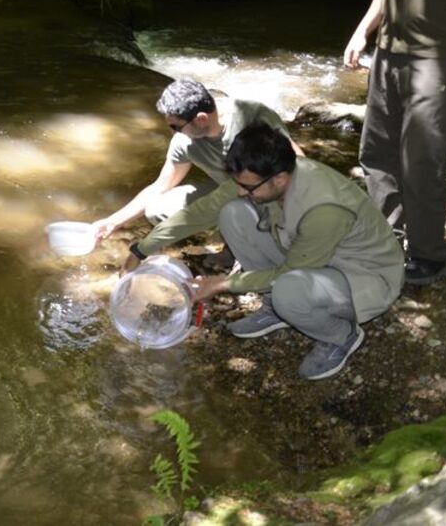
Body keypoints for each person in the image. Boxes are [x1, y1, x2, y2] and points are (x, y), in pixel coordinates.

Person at [126, 125, 404, 380]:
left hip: (363, 277)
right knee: (232, 213)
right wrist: (141, 248)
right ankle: (277, 308)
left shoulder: (324, 209)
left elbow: (289, 272)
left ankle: (339, 337)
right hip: (313, 258)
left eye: (247, 186)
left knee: (288, 289)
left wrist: (222, 284)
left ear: (280, 179)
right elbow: (201, 211)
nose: (239, 190)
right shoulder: (266, 175)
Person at [92, 78, 303, 243]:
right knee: (157, 210)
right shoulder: (184, 142)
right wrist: (112, 222)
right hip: (229, 190)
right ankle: (227, 231)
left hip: (269, 189)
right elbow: (160, 186)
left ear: (201, 119)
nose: (173, 132)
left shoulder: (251, 115)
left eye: (176, 126)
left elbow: (298, 160)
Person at [344, 0, 446, 284]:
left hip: (436, 58)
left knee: (422, 161)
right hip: (387, 54)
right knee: (376, 151)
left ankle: (427, 254)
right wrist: (363, 31)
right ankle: (388, 236)